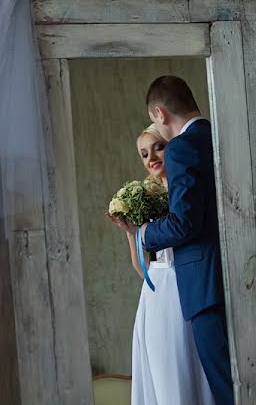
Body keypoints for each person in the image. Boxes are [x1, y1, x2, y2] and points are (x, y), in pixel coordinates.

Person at [112, 76, 234, 405]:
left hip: (202, 287)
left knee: (224, 390)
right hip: (230, 276)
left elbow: (185, 223)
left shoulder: (182, 146)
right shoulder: (223, 134)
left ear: (159, 113)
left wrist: (144, 233)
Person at [106, 124, 216, 405]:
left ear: (171, 145)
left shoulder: (187, 191)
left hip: (191, 286)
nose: (151, 157)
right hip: (157, 297)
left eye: (158, 146)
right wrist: (132, 233)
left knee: (197, 372)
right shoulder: (142, 198)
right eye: (144, 154)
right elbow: (141, 267)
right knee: (166, 376)